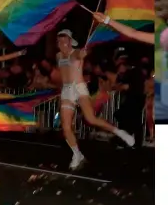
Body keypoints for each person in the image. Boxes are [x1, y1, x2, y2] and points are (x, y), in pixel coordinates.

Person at [55, 29, 135, 170]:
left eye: (64, 39)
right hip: (67, 91)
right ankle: (77, 154)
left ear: (70, 41)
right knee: (66, 128)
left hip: (78, 88)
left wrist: (84, 53)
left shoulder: (77, 53)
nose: (62, 42)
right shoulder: (58, 56)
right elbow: (63, 73)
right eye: (60, 40)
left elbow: (82, 53)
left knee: (91, 119)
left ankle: (119, 132)